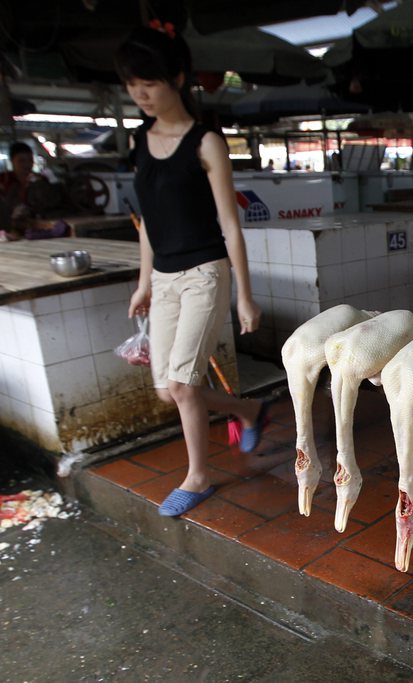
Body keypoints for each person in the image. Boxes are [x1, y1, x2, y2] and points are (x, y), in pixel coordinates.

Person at [116, 25, 266, 517]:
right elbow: (148, 224)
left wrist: (244, 295)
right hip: (163, 278)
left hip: (204, 273)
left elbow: (230, 223)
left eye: (150, 82)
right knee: (168, 390)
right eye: (132, 83)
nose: (140, 93)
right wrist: (143, 284)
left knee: (181, 386)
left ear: (177, 78)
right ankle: (246, 409)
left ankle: (198, 477)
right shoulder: (140, 142)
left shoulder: (206, 143)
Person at [0, 142, 41, 237]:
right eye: (21, 161)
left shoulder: (39, 180)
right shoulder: (4, 181)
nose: (27, 165)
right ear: (12, 161)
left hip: (31, 229)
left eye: (30, 160)